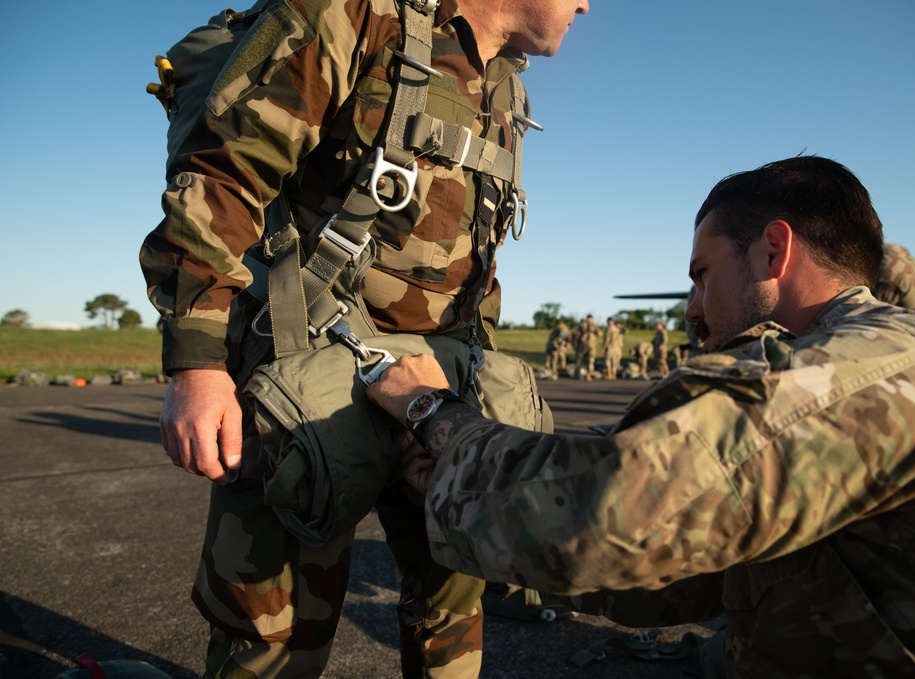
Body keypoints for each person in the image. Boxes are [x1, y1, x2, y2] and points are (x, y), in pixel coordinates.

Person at [367, 156, 915, 677]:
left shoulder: (874, 369)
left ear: (773, 251)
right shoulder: (866, 355)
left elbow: (602, 520)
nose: (693, 310)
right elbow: (693, 571)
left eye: (702, 276)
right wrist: (467, 482)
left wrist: (432, 411)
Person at [139, 0, 589, 677]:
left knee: (451, 621)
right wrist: (197, 364)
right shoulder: (355, 13)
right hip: (307, 383)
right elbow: (224, 173)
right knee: (276, 640)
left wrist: (473, 393)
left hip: (436, 396)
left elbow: (477, 260)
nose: (586, 5)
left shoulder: (504, 86)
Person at [573, 314, 599, 380]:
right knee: (590, 360)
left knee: (579, 359)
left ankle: (576, 374)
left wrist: (575, 346)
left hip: (582, 345)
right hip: (591, 345)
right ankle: (589, 374)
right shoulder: (594, 325)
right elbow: (599, 333)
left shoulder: (582, 325)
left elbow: (576, 335)